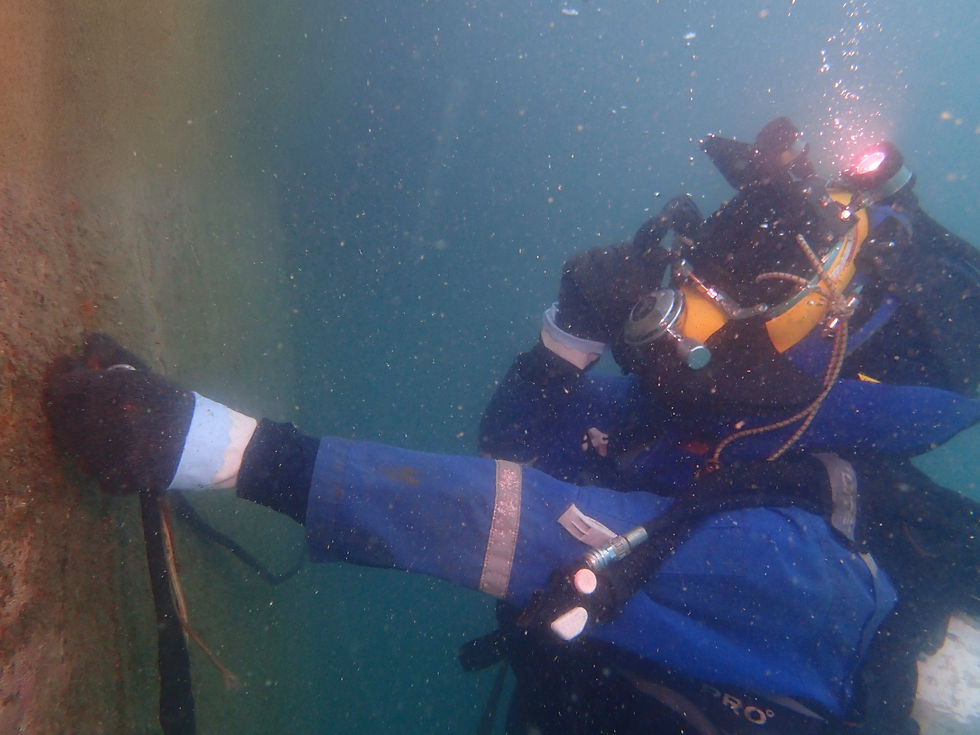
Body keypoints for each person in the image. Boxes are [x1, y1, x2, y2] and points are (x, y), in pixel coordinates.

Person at [43, 333, 946, 735]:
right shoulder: (684, 422)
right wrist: (570, 338)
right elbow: (517, 457)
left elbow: (527, 525)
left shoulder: (823, 572)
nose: (699, 329)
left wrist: (228, 452)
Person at [477, 117, 980, 733]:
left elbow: (504, 504)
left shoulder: (814, 507)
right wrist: (566, 341)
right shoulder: (656, 416)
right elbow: (506, 465)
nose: (679, 310)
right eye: (690, 284)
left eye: (710, 294)